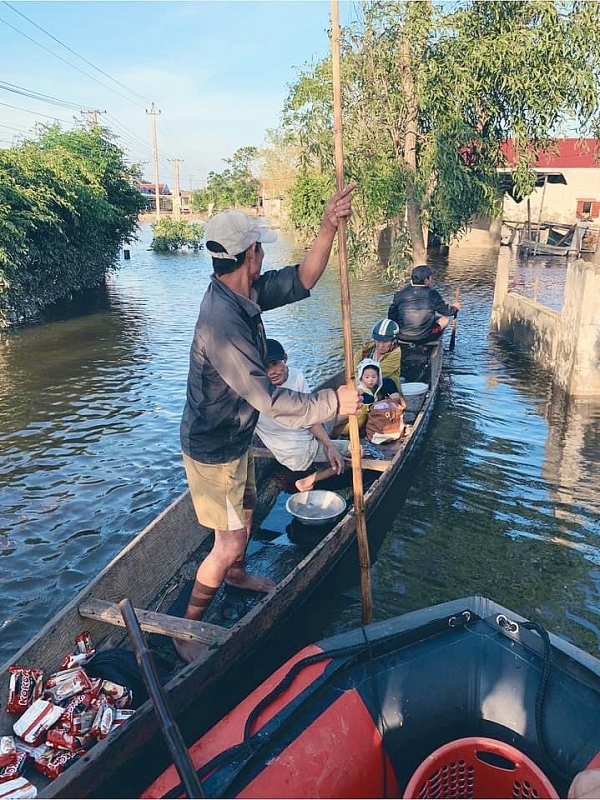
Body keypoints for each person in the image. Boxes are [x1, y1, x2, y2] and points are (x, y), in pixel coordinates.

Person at [177, 184, 361, 663]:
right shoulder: (221, 323)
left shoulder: (243, 291)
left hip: (235, 436)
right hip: (212, 446)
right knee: (230, 539)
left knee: (251, 506)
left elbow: (303, 279)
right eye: (260, 248)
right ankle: (184, 629)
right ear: (250, 254)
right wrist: (333, 401)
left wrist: (328, 225)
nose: (263, 256)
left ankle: (236, 575)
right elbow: (270, 400)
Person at [255, 339, 351, 492]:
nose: (272, 371)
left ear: (285, 359)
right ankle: (308, 480)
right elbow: (309, 419)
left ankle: (328, 449)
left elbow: (309, 417)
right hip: (300, 450)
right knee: (358, 449)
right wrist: (330, 446)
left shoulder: (295, 375)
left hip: (306, 429)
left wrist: (329, 444)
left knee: (343, 416)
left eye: (275, 364)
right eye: (265, 367)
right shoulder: (257, 390)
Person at [388, 264, 462, 342]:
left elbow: (391, 315)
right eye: (430, 278)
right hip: (423, 337)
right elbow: (447, 312)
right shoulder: (432, 294)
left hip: (402, 336)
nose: (431, 280)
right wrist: (455, 308)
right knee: (445, 320)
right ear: (426, 280)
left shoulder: (400, 294)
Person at [353, 319, 402, 391]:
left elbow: (378, 373)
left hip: (386, 390)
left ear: (393, 341)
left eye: (385, 342)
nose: (381, 345)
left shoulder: (396, 352)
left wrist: (360, 378)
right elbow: (355, 362)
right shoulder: (367, 349)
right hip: (364, 385)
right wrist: (357, 377)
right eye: (378, 341)